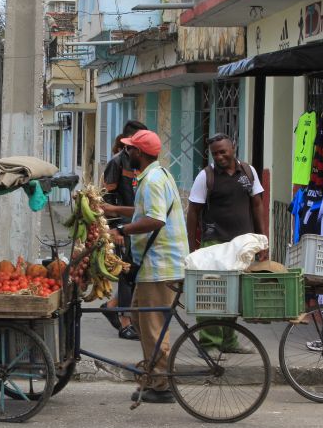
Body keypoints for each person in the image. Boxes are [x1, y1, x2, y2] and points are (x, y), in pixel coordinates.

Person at [107, 130, 188, 404]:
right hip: (152, 264)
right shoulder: (156, 175)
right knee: (138, 319)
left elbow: (154, 220)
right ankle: (153, 373)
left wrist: (123, 230)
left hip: (161, 264)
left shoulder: (152, 180)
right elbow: (146, 211)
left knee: (153, 326)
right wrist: (116, 211)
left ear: (139, 153)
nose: (125, 153)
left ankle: (162, 385)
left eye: (129, 149)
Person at [185, 133, 268, 354]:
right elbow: (193, 211)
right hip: (214, 243)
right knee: (212, 294)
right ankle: (209, 344)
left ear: (233, 148)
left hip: (243, 244)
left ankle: (229, 341)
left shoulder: (248, 173)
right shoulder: (206, 176)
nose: (219, 156)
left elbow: (258, 204)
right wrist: (192, 246)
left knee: (234, 294)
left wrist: (262, 239)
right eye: (215, 153)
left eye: (223, 151)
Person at [101, 120, 149, 341]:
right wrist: (115, 230)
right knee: (126, 272)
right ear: (127, 143)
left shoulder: (143, 164)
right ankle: (125, 322)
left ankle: (112, 306)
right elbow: (106, 199)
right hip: (122, 228)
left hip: (140, 226)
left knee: (136, 274)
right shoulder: (117, 163)